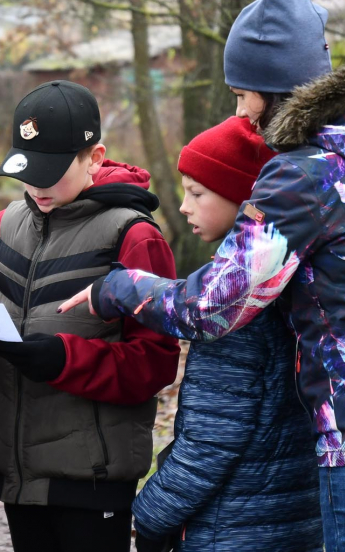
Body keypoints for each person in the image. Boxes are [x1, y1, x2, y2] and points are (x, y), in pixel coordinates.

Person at [62, 0, 345, 552]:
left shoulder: (301, 175)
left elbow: (213, 308)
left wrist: (120, 287)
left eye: (244, 94)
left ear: (278, 91)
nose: (240, 112)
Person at [0, 80, 180, 552]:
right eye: (27, 171)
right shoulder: (4, 224)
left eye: (51, 172)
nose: (36, 186)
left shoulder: (135, 238)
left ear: (95, 158)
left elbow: (156, 363)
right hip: (17, 472)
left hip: (93, 478)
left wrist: (63, 359)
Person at [131, 116, 321, 552]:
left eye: (197, 192)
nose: (183, 206)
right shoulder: (295, 281)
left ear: (245, 199)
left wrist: (149, 516)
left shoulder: (230, 307)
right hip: (292, 518)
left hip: (230, 525)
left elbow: (211, 442)